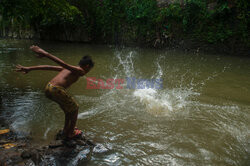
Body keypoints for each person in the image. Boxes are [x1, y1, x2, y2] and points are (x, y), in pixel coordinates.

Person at [15, 45, 94, 139]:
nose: (88, 71)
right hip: (56, 89)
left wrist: (30, 68)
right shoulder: (81, 71)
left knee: (68, 110)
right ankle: (71, 132)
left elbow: (48, 67)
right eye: (89, 69)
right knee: (75, 108)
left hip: (49, 87)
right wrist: (45, 54)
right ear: (87, 66)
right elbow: (63, 63)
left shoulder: (72, 69)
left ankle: (66, 130)